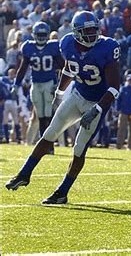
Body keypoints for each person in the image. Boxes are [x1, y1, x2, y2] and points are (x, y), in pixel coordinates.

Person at [5, 11, 121, 205]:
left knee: (79, 148)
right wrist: (59, 93)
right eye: (87, 31)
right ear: (76, 32)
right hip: (77, 96)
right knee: (49, 134)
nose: (92, 35)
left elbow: (114, 88)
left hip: (98, 102)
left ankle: (62, 192)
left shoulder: (107, 47)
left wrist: (97, 110)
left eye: (94, 30)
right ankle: (23, 174)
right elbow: (69, 67)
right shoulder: (67, 44)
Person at [12, 22, 63, 151]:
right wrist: (16, 84)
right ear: (34, 35)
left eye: (43, 34)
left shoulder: (53, 47)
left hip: (49, 84)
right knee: (40, 116)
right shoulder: (29, 48)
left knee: (48, 115)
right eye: (39, 35)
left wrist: (58, 83)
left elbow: (63, 66)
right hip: (35, 84)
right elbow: (23, 68)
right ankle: (44, 146)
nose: (41, 37)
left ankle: (49, 145)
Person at [2, 68, 22, 143]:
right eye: (9, 73)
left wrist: (19, 105)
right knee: (5, 120)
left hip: (14, 102)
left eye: (12, 73)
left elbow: (20, 94)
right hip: (6, 101)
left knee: (16, 120)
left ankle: (18, 138)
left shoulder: (16, 82)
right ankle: (6, 138)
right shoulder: (3, 80)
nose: (11, 75)